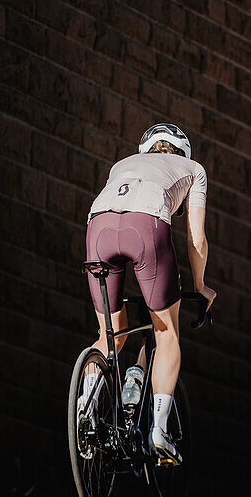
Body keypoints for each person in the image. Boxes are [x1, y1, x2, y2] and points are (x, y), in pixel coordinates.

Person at [82, 122, 215, 464]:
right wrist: (200, 287)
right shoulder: (193, 169)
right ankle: (159, 430)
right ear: (181, 151)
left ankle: (85, 406)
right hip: (147, 227)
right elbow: (196, 240)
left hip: (98, 228)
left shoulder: (121, 164)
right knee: (167, 331)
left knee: (109, 335)